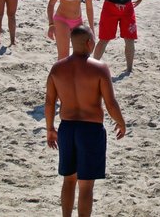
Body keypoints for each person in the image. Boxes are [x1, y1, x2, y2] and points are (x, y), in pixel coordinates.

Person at [45, 26, 126, 217]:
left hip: (67, 128)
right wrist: (121, 122)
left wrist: (50, 128)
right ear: (89, 43)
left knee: (69, 180)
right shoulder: (99, 68)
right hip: (90, 130)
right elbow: (110, 102)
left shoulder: (57, 68)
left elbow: (49, 102)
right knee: (86, 185)